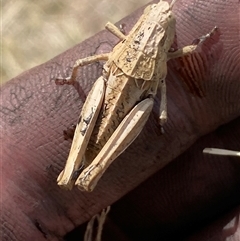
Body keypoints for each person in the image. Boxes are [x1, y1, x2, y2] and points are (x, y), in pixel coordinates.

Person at [1, 0, 240, 240]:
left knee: (137, 99)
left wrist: (72, 77)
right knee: (150, 105)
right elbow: (181, 67)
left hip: (124, 96)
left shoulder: (126, 41)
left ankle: (90, 170)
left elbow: (84, 58)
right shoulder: (164, 57)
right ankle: (76, 169)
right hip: (116, 93)